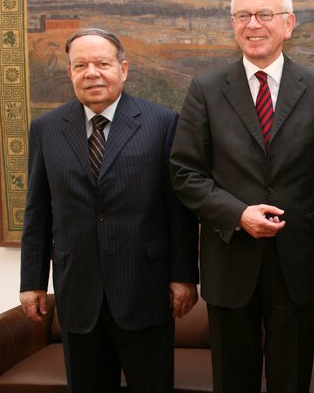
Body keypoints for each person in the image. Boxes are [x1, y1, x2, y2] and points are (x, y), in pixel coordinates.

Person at [169, 0, 314, 393]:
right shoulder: (206, 89)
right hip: (230, 261)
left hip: (297, 266)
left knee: (292, 381)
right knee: (232, 381)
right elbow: (184, 172)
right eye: (242, 15)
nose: (253, 25)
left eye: (264, 13)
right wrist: (237, 214)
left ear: (289, 23)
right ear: (232, 24)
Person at [20, 28, 199, 393]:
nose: (92, 73)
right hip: (78, 293)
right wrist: (32, 281)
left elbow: (178, 210)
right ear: (69, 72)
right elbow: (38, 211)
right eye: (80, 65)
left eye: (102, 63)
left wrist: (184, 276)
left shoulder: (162, 123)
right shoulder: (47, 129)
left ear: (123, 69)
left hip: (144, 290)